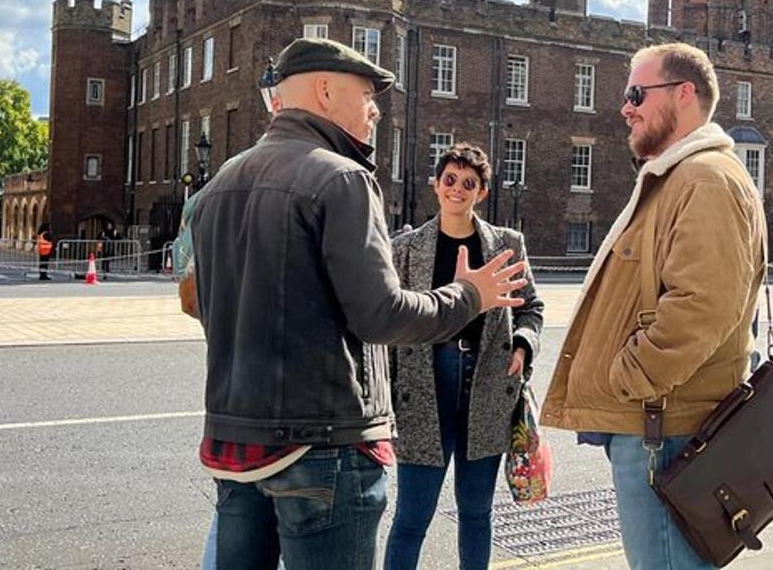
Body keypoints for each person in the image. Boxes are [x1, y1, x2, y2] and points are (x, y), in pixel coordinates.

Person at [189, 37, 530, 570]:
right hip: (322, 443)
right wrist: (471, 294)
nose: (375, 109)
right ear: (326, 90)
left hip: (235, 443)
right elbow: (381, 315)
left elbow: (203, 304)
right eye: (367, 94)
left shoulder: (219, 185)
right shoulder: (342, 177)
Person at [540, 42, 768, 570]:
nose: (625, 107)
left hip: (664, 429)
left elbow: (701, 307)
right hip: (652, 425)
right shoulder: (680, 176)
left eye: (637, 93)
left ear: (684, 94)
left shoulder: (705, 179)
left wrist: (631, 377)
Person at [385, 144, 544, 570]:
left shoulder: (507, 245)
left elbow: (530, 308)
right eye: (450, 180)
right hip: (423, 390)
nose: (457, 189)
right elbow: (388, 324)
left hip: (487, 387)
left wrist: (524, 344)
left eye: (468, 183)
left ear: (482, 192)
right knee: (411, 518)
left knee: (476, 513)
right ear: (435, 185)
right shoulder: (405, 249)